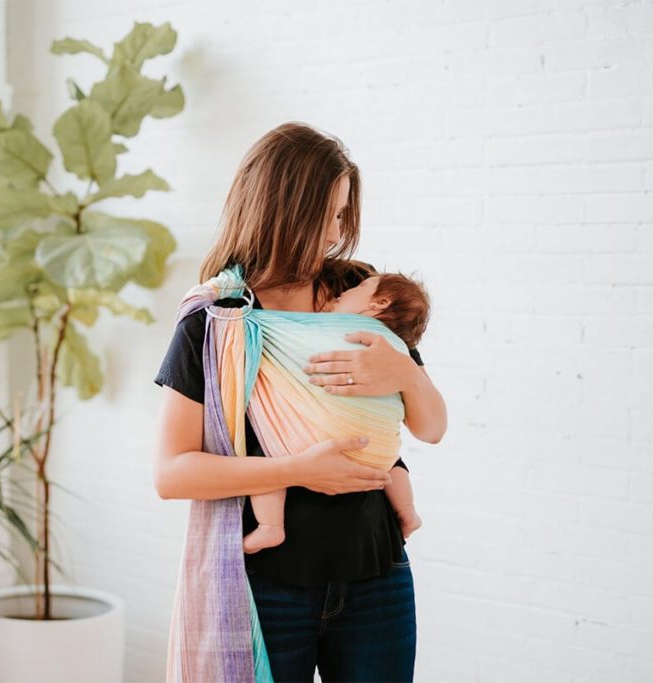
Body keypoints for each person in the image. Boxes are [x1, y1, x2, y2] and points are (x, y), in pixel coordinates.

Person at [153, 122, 447, 682]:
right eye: (331, 213)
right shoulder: (216, 321)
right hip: (268, 589)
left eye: (343, 214)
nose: (339, 232)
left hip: (376, 577)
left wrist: (404, 372)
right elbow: (170, 473)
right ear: (287, 208)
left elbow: (431, 426)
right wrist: (298, 470)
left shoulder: (357, 293)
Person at [243, 270, 433, 555]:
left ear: (380, 302)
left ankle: (270, 526)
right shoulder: (394, 345)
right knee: (390, 460)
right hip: (377, 449)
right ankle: (407, 510)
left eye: (362, 287)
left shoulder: (345, 329)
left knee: (267, 452)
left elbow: (434, 428)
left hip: (315, 441)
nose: (344, 292)